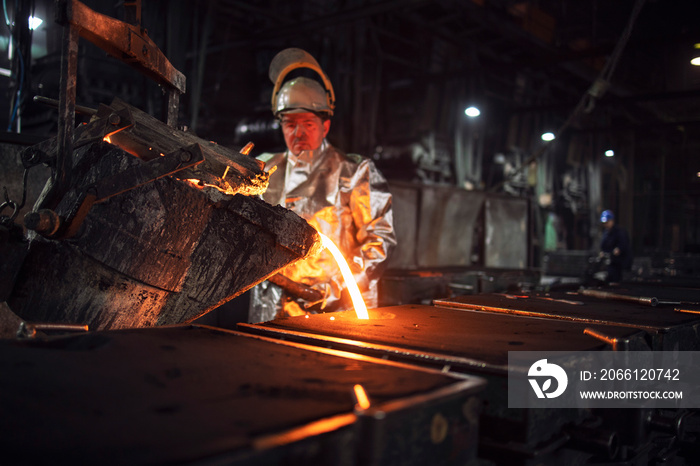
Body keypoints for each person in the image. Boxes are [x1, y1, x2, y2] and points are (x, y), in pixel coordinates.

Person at [249, 48, 396, 322]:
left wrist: (337, 288)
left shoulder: (354, 172)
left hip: (334, 311)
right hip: (271, 308)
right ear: (280, 124)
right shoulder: (263, 169)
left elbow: (380, 240)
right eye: (290, 123)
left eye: (308, 123)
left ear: (325, 126)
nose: (299, 133)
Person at [599, 209, 632, 284]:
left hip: (620, 263)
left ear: (612, 221)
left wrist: (618, 250)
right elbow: (603, 245)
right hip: (611, 262)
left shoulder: (620, 231)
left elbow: (624, 245)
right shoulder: (606, 233)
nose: (606, 224)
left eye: (607, 222)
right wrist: (603, 253)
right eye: (604, 223)